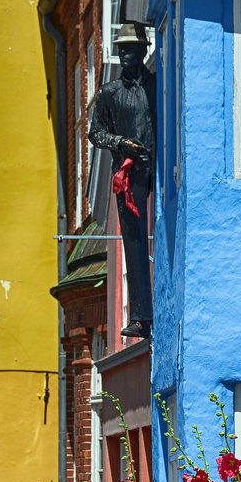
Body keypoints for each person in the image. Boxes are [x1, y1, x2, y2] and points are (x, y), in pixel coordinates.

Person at [89, 21, 156, 339]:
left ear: (143, 50)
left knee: (161, 233)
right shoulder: (109, 93)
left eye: (131, 48)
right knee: (134, 241)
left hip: (157, 165)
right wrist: (120, 142)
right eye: (121, 49)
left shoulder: (156, 86)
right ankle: (142, 315)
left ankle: (148, 312)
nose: (126, 54)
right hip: (128, 173)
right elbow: (95, 133)